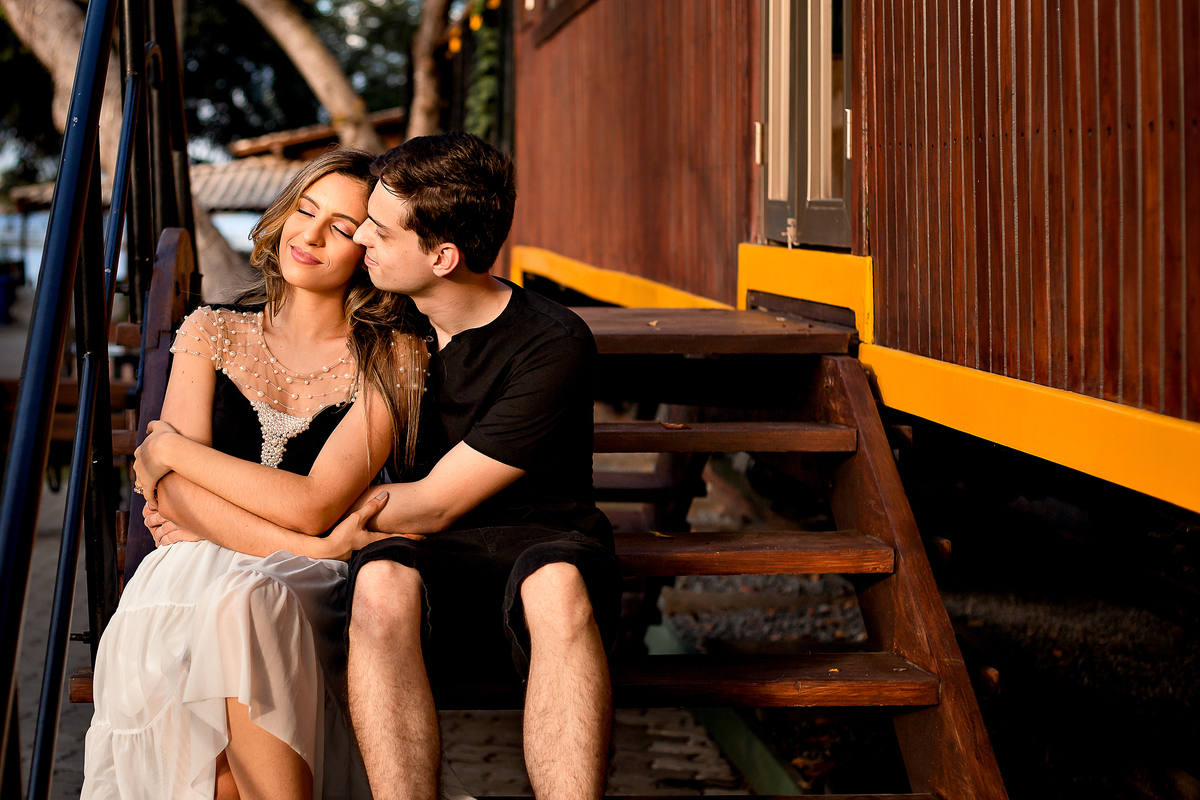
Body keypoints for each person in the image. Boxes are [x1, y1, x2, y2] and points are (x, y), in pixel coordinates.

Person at [81, 148, 427, 800]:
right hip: (187, 572)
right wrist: (179, 480)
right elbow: (174, 501)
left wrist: (173, 453)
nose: (313, 235)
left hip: (310, 585)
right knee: (210, 767)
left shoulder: (393, 357)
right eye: (306, 210)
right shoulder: (210, 331)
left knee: (245, 603)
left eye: (344, 228)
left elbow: (315, 504)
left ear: (370, 253)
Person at [335, 132, 621, 800]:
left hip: (542, 538)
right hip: (422, 554)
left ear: (443, 255)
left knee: (556, 585)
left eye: (379, 230)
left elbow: (434, 502)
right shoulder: (382, 320)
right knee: (379, 585)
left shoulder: (552, 343)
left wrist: (306, 510)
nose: (360, 242)